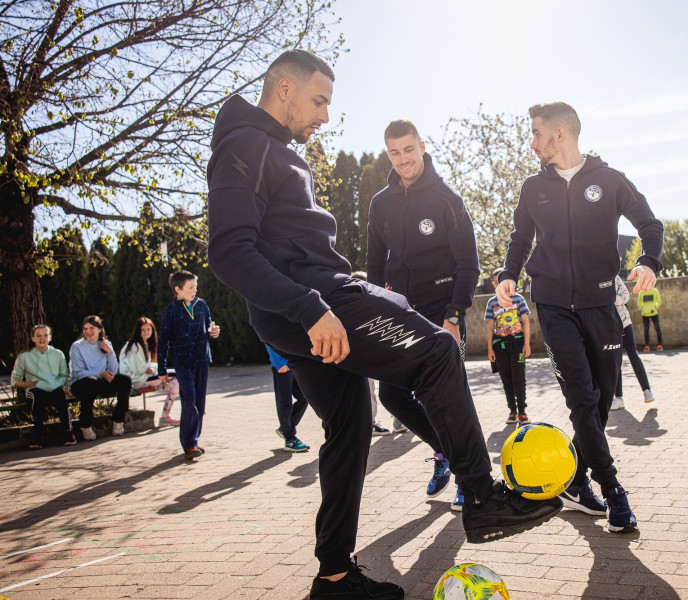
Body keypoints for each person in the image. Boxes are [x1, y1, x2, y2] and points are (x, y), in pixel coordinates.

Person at [206, 50, 561, 600]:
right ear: (283, 89)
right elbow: (229, 253)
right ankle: (482, 497)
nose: (324, 116)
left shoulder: (273, 149)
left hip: (311, 302)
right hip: (317, 303)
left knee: (350, 424)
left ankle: (335, 578)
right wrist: (310, 309)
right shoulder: (245, 145)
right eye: (319, 100)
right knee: (438, 353)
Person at [496, 101, 663, 532]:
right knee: (583, 400)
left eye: (536, 133)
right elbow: (520, 237)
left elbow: (650, 223)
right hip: (552, 305)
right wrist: (508, 273)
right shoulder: (534, 188)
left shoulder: (608, 181)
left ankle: (572, 481)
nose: (531, 143)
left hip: (601, 303)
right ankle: (612, 491)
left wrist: (648, 262)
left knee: (602, 400)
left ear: (560, 135)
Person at [366, 119, 481, 509]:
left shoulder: (447, 199)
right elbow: (374, 268)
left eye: (408, 150)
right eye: (394, 152)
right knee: (393, 395)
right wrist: (374, 315)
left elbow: (469, 263)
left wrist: (453, 315)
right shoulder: (379, 204)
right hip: (399, 312)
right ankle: (445, 451)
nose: (403, 159)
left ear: (422, 147)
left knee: (449, 397)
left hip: (442, 310)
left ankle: (467, 476)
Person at [157, 270, 221, 459]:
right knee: (189, 401)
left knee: (200, 405)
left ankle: (194, 441)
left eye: (195, 286)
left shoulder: (202, 305)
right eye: (191, 287)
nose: (195, 290)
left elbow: (209, 325)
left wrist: (214, 331)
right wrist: (162, 369)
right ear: (178, 289)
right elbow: (163, 342)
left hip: (202, 359)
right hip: (183, 363)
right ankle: (189, 444)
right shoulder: (169, 312)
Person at [12, 324, 76, 448]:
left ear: (50, 338)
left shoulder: (58, 354)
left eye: (45, 335)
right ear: (33, 338)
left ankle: (69, 433)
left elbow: (64, 376)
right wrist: (32, 384)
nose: (42, 338)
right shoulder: (24, 356)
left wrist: (55, 384)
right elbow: (15, 380)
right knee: (36, 397)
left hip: (54, 389)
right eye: (38, 336)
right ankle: (39, 435)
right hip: (35, 390)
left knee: (60, 396)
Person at [69, 315, 132, 440]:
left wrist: (110, 352)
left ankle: (118, 420)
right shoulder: (77, 347)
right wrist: (100, 374)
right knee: (90, 382)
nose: (88, 332)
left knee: (125, 380)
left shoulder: (106, 344)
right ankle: (85, 425)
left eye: (91, 328)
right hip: (81, 384)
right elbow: (79, 372)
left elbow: (113, 371)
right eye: (85, 329)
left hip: (101, 382)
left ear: (99, 329)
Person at [484, 267, 531, 424]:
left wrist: (526, 344)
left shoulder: (518, 299)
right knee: (506, 379)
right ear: (493, 284)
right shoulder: (491, 303)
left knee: (519, 378)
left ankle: (522, 412)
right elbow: (490, 326)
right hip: (500, 346)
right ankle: (512, 411)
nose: (500, 285)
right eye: (497, 282)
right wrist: (490, 348)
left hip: (517, 343)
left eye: (502, 282)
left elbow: (525, 322)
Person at [348, 271, 392, 436]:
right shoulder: (356, 307)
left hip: (364, 357)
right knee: (366, 392)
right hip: (358, 358)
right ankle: (367, 424)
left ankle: (368, 423)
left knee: (368, 392)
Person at [119, 316, 181, 425]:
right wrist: (151, 368)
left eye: (148, 329)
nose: (146, 332)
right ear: (138, 331)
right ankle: (192, 405)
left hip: (144, 378)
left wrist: (152, 367)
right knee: (177, 374)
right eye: (142, 330)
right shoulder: (135, 345)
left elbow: (148, 367)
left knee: (175, 383)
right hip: (136, 380)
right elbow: (140, 369)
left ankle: (165, 417)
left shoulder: (145, 344)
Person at [612, 276, 655, 410]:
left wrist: (612, 300)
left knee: (633, 355)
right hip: (610, 328)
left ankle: (647, 391)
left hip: (625, 324)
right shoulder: (593, 279)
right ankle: (618, 398)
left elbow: (625, 295)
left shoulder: (615, 277)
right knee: (616, 361)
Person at [266, 344, 310, 452]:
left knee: (304, 397)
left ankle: (286, 428)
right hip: (281, 364)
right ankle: (290, 439)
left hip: (295, 362)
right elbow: (267, 337)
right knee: (285, 402)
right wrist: (278, 362)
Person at [638, 286, 663, 351]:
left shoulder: (655, 291)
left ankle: (660, 345)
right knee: (646, 330)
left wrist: (655, 307)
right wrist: (642, 309)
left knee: (657, 328)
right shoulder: (641, 293)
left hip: (654, 313)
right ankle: (647, 346)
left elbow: (659, 301)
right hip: (644, 314)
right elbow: (639, 303)